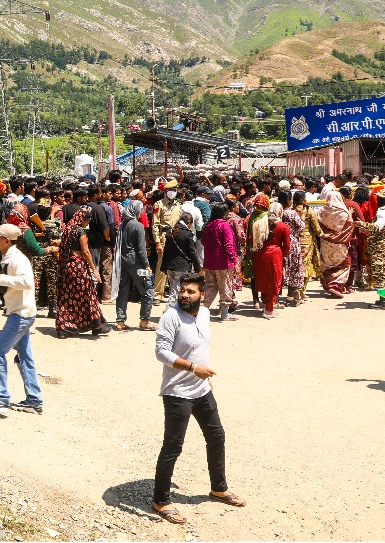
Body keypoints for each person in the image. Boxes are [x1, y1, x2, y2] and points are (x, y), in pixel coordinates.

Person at [151, 273, 244, 525]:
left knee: (216, 436)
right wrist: (194, 369)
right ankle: (160, 500)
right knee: (173, 446)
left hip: (201, 389)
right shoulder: (171, 316)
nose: (184, 295)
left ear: (202, 295)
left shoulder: (203, 313)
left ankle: (219, 488)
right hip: (177, 393)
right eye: (182, 290)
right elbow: (161, 353)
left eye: (190, 291)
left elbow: (200, 347)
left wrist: (203, 374)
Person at [0, 224, 43, 414]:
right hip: (21, 312)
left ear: (7, 241)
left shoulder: (17, 259)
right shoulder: (9, 257)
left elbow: (27, 282)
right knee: (25, 357)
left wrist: (3, 280)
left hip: (21, 314)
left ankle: (2, 399)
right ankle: (33, 399)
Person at [55, 205, 110, 337]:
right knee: (88, 294)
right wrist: (94, 270)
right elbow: (85, 251)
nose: (87, 223)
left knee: (68, 297)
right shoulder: (80, 231)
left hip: (66, 268)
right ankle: (96, 324)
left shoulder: (67, 228)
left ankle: (64, 327)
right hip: (78, 268)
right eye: (87, 220)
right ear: (83, 219)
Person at [114, 199, 156, 330]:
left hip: (122, 261)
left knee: (123, 291)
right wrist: (147, 265)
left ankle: (120, 321)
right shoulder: (137, 226)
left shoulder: (122, 225)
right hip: (136, 263)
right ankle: (144, 321)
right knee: (147, 290)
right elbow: (141, 248)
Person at [251, 201, 289, 319]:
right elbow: (286, 245)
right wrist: (285, 256)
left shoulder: (259, 223)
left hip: (259, 254)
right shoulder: (283, 226)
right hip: (275, 255)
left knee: (263, 280)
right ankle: (269, 309)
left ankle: (265, 304)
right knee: (273, 281)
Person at [200, 203, 238, 321]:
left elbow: (203, 241)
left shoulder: (208, 225)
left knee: (210, 287)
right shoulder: (224, 225)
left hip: (210, 262)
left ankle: (202, 311)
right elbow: (228, 245)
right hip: (223, 262)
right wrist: (234, 260)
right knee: (225, 287)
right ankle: (225, 314)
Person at [317, 190, 354, 297]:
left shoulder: (321, 211)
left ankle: (329, 283)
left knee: (328, 263)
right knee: (344, 263)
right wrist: (350, 215)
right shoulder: (344, 213)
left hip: (326, 242)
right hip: (340, 244)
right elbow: (350, 225)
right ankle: (335, 285)